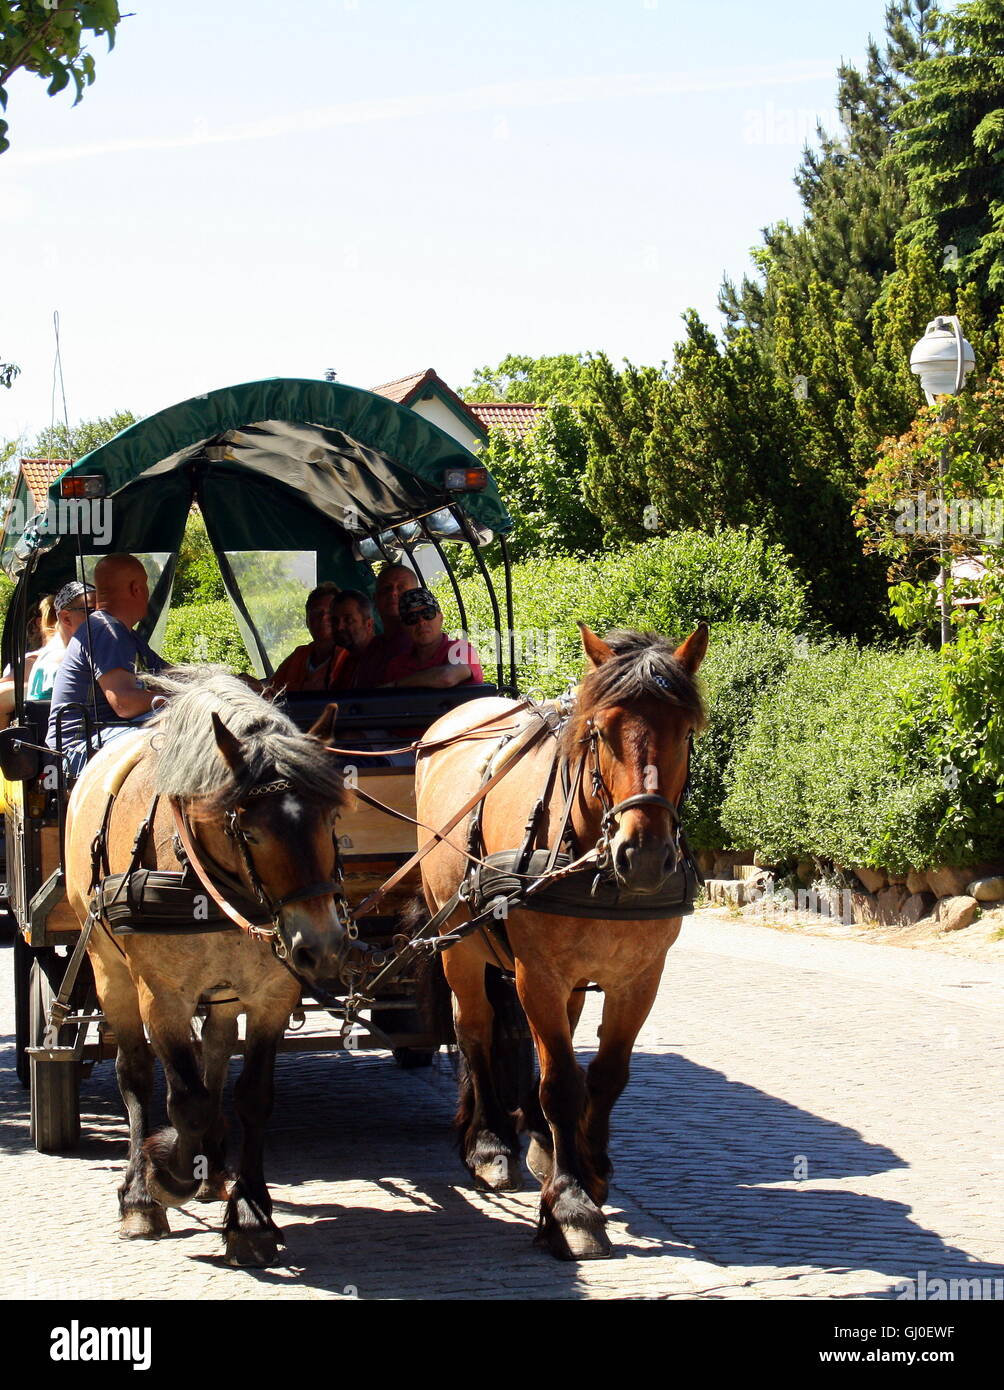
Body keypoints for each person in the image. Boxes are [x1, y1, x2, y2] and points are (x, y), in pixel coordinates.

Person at [48, 554, 165, 775]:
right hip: (79, 748)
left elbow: (171, 675)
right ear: (136, 588)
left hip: (107, 735)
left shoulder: (125, 634)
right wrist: (186, 701)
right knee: (176, 738)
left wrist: (224, 682)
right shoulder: (106, 630)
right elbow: (124, 703)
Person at [383, 587, 483, 689]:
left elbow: (447, 677)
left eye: (428, 613)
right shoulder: (397, 666)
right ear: (404, 626)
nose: (421, 622)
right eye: (412, 618)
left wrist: (397, 684)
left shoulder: (462, 650)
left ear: (441, 617)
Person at [349, 562, 419, 688]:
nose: (393, 593)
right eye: (387, 588)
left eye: (401, 588)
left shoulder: (424, 643)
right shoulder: (374, 647)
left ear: (416, 597)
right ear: (375, 598)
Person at [266, 582, 342, 694]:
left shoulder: (349, 657)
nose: (323, 617)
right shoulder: (300, 655)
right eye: (317, 612)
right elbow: (271, 690)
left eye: (330, 613)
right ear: (307, 620)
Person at [28, 582, 96, 700]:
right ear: (66, 618)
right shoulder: (62, 658)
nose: (100, 617)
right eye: (91, 611)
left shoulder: (56, 652)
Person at [329, 589, 376, 690]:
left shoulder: (381, 660)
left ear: (368, 624)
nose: (339, 627)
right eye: (334, 621)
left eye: (348, 620)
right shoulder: (348, 663)